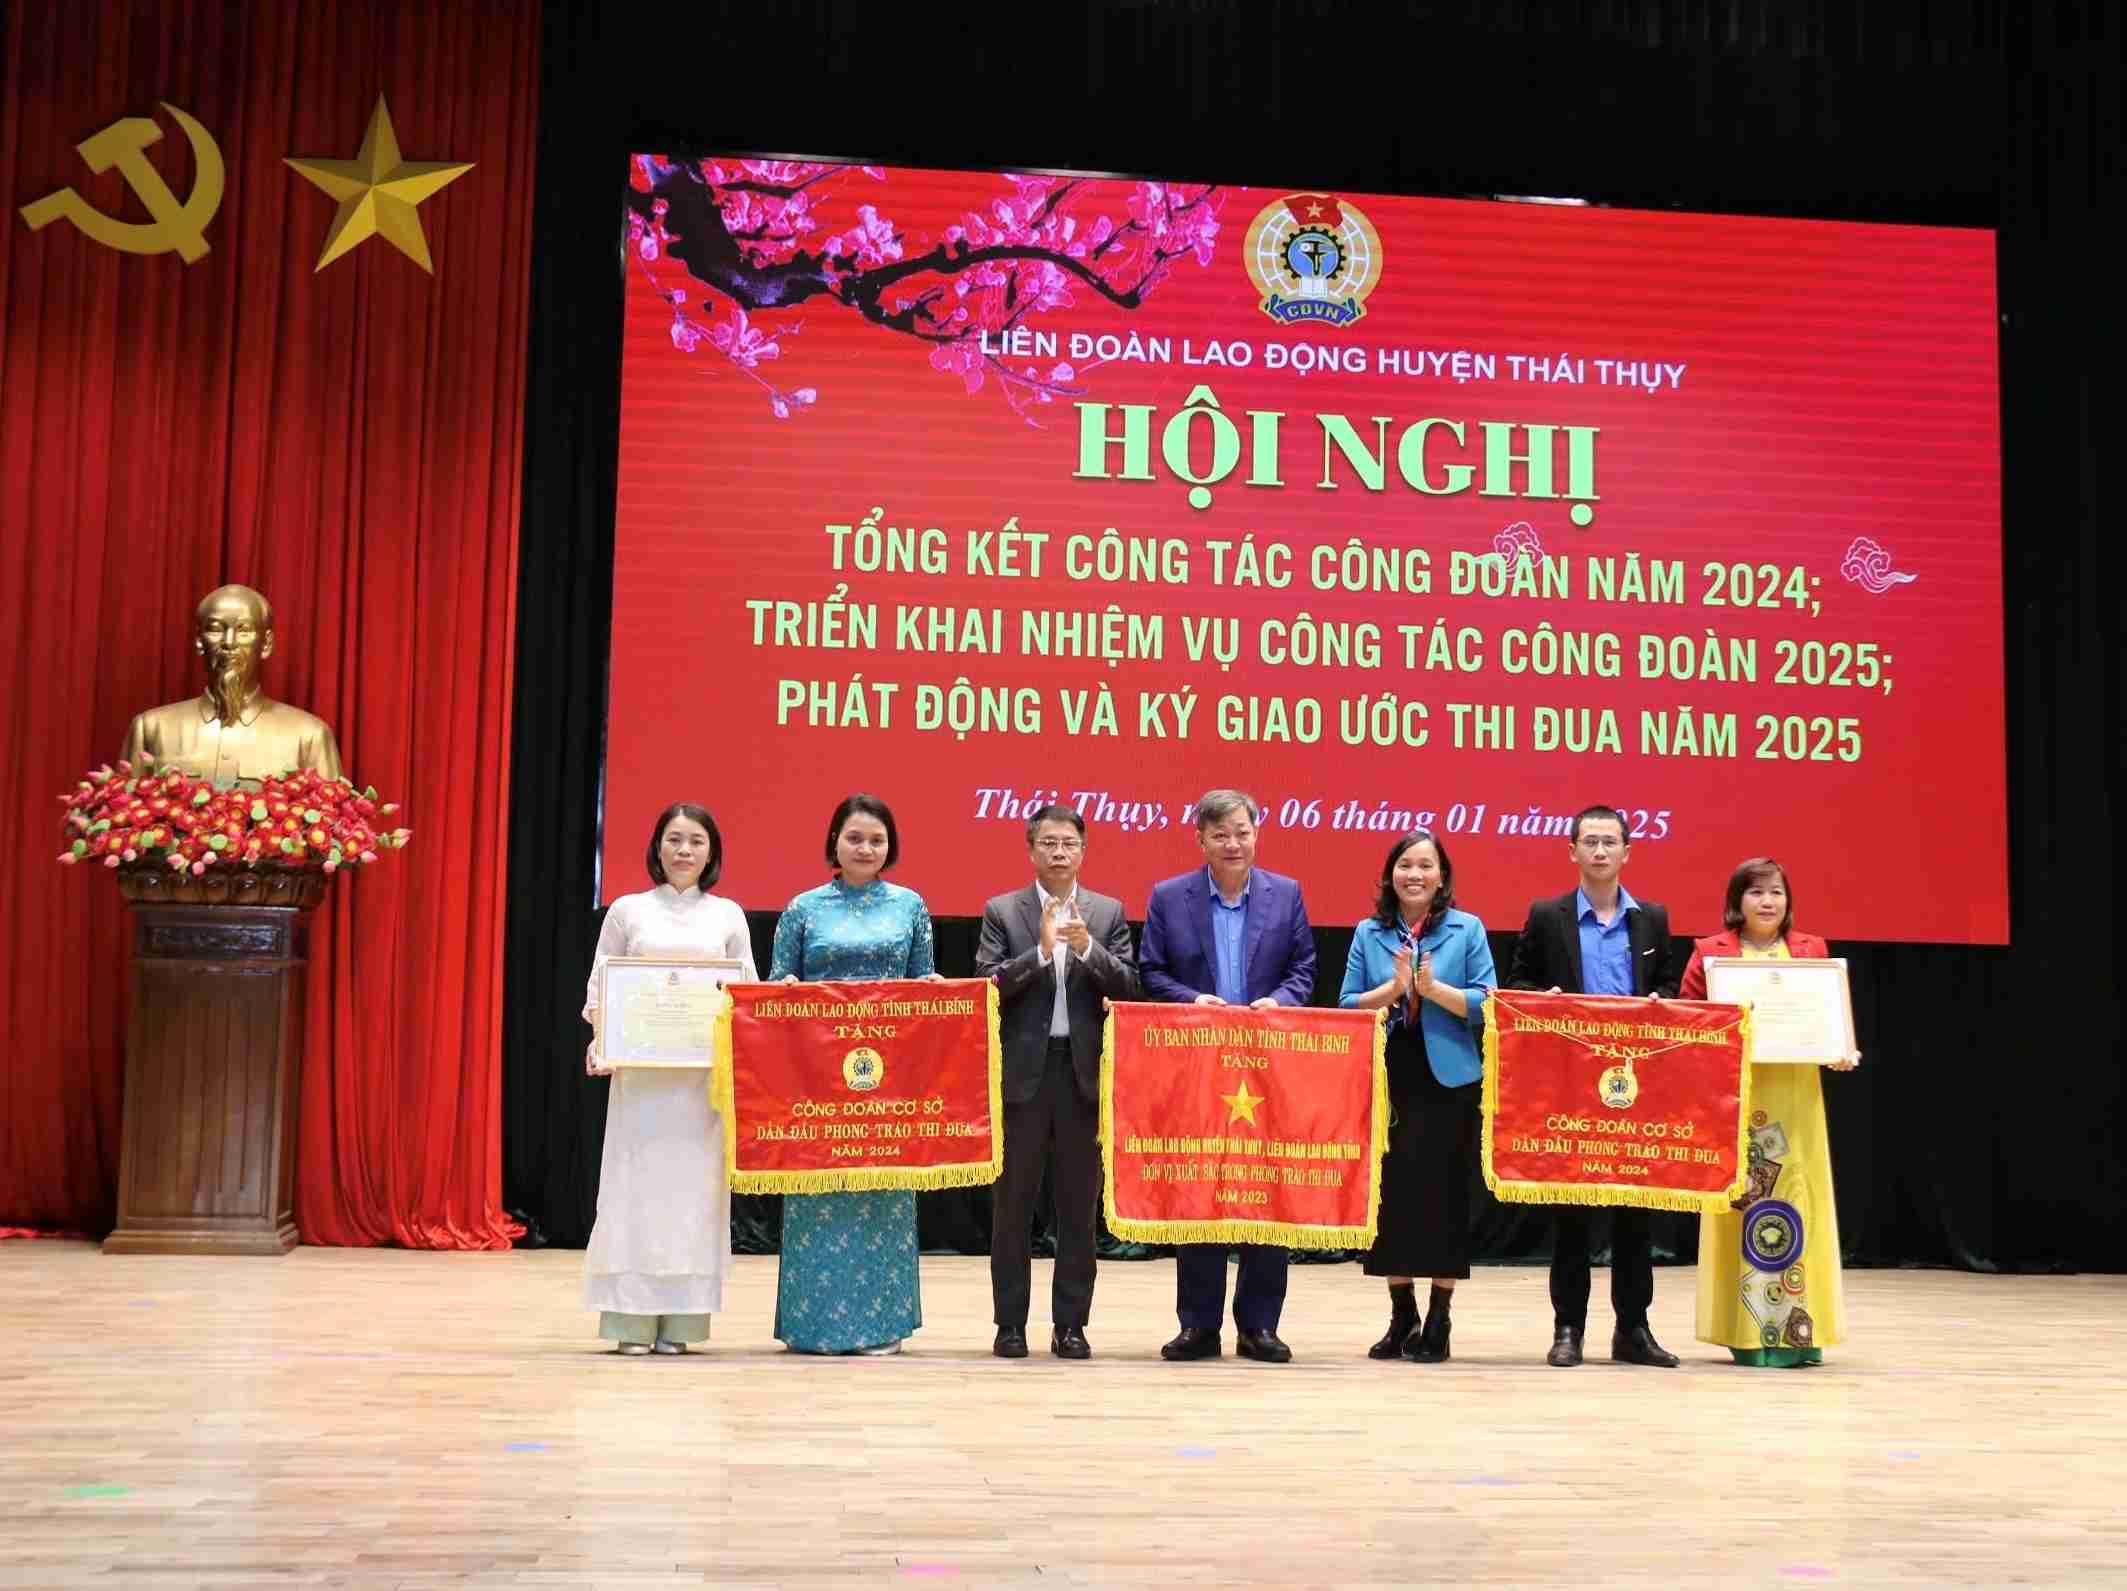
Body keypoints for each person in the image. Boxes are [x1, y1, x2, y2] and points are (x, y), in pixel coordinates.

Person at [1139, 789, 1317, 1363]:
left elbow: (1304, 969)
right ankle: (1198, 1325)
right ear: (1201, 840)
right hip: (1197, 1064)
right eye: (1220, 834)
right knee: (1201, 1186)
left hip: (1267, 1069)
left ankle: (1259, 1325)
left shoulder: (1286, 893)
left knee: (1266, 1188)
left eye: (1241, 831)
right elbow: (1151, 971)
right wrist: (1194, 1000)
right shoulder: (1169, 897)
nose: (1232, 843)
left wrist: (1279, 1001)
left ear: (1257, 832)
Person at [1504, 804, 1686, 1368]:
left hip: (1636, 1087)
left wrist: (1662, 1005)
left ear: (1628, 852)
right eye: (1591, 842)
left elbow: (1670, 990)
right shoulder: (1547, 915)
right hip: (1571, 1086)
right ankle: (1568, 1329)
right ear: (1573, 852)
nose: (1601, 852)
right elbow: (1518, 986)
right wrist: (1545, 1000)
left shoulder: (1651, 919)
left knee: (1634, 1211)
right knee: (1573, 1215)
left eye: (1611, 842)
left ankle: (1633, 1329)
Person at [581, 802, 754, 1355]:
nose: (684, 851)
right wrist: (602, 1040)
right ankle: (630, 1322)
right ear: (657, 847)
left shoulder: (728, 915)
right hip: (641, 1081)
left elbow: (746, 993)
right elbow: (601, 987)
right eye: (675, 839)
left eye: (696, 841)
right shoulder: (627, 911)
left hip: (701, 1085)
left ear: (712, 852)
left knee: (693, 1198)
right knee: (634, 1191)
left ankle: (682, 1325)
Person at [768, 793, 938, 1354]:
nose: (865, 848)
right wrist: (785, 991)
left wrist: (938, 991)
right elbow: (773, 990)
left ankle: (882, 1327)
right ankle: (811, 1325)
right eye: (855, 837)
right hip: (816, 1083)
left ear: (890, 847)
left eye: (877, 839)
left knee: (882, 1191)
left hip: (886, 1082)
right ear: (834, 842)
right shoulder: (802, 907)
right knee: (818, 1189)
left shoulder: (911, 906)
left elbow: (922, 987)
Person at [974, 804, 1140, 1360]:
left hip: (1084, 1077)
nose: (1059, 852)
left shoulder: (1107, 911)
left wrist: (1087, 948)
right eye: (1048, 843)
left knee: (1076, 1210)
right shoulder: (1004, 910)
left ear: (1083, 850)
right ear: (1032, 851)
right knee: (1012, 1209)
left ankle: (1071, 1325)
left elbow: (1130, 986)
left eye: (1069, 843)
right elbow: (987, 988)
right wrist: (1041, 953)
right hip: (1023, 1076)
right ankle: (1010, 1326)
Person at [1680, 858, 1855, 1367]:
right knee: (1749, 1203)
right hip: (1740, 1097)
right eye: (1756, 893)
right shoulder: (1710, 954)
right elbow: (1692, 1025)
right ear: (1737, 902)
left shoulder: (1810, 950)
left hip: (1796, 1095)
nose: (1767, 902)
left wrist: (1840, 1048)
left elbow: (1831, 1019)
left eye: (1776, 892)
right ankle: (1751, 1333)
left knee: (1799, 1202)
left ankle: (1801, 1332)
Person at [1339, 831, 1495, 1363]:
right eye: (1406, 865)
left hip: (1449, 1078)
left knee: (1446, 1198)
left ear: (1442, 877)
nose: (1415, 875)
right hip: (1390, 1075)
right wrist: (1394, 989)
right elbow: (1348, 1005)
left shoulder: (1467, 928)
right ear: (1390, 875)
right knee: (1395, 1198)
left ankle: (1440, 1318)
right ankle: (1401, 1314)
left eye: (1426, 866)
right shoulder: (1369, 931)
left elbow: (1487, 1002)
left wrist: (1434, 993)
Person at [119, 584, 342, 784]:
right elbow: (121, 822)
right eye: (215, 629)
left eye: (244, 630)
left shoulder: (308, 735)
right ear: (199, 640)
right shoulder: (151, 728)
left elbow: (332, 825)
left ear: (265, 644)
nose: (229, 642)